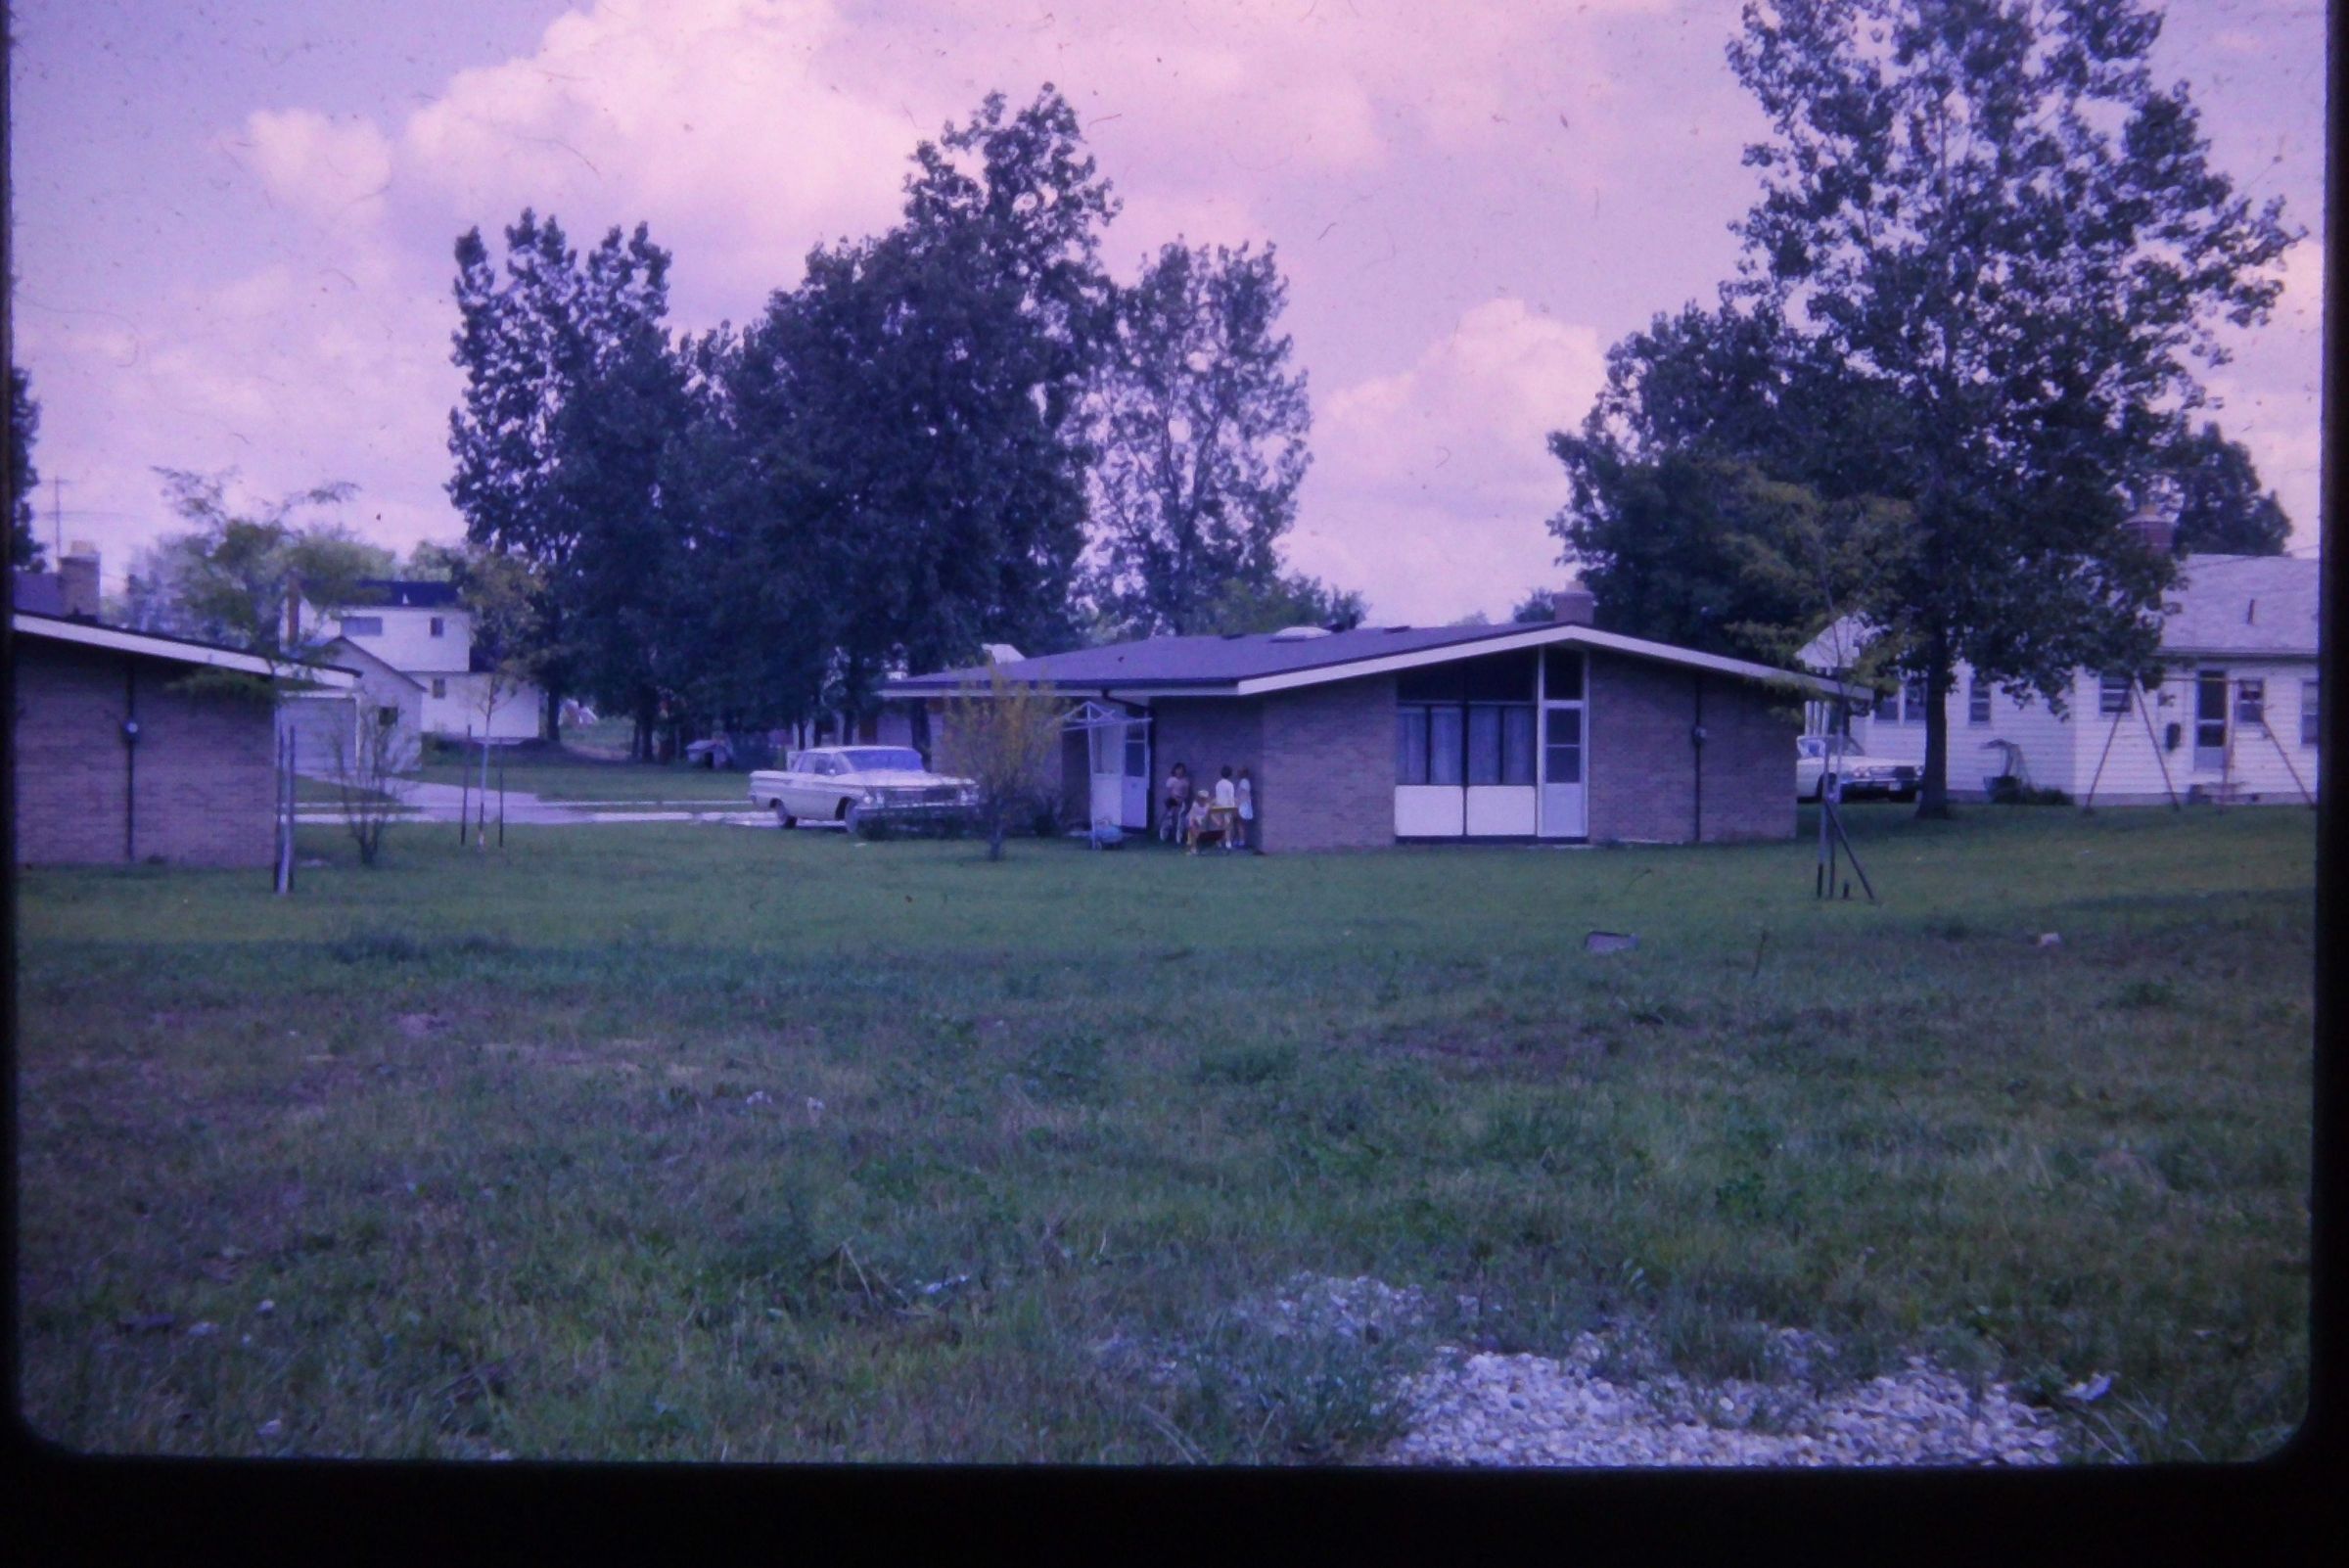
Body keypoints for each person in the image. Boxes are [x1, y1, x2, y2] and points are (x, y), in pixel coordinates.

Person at [1211, 765, 1238, 852]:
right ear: (1230, 774)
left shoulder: (1218, 784)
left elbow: (1217, 795)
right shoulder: (1230, 785)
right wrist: (1233, 807)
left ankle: (1218, 841)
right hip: (1227, 806)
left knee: (1219, 824)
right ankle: (1228, 843)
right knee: (1227, 825)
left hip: (1218, 805)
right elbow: (1231, 797)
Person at [1162, 761, 1190, 844]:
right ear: (1175, 770)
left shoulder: (1185, 781)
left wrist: (1182, 800)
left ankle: (1179, 838)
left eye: (1181, 770)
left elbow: (1186, 793)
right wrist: (1175, 799)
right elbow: (1169, 791)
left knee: (1181, 819)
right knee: (1169, 817)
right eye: (1178, 769)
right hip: (1173, 800)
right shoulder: (1171, 780)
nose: (1180, 771)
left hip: (1182, 800)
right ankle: (1164, 835)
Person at [1184, 789, 1219, 854]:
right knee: (1193, 834)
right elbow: (1192, 816)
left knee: (1195, 836)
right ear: (1199, 798)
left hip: (1199, 822)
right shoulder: (1195, 805)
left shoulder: (1208, 806)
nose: (1203, 800)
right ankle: (1193, 849)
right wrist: (1192, 825)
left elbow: (1211, 815)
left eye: (1204, 798)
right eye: (1202, 798)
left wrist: (1217, 821)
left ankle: (1192, 848)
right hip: (1190, 820)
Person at [1234, 765, 1255, 852]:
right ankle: (1240, 840)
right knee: (1240, 823)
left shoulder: (1244, 782)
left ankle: (1242, 842)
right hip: (1243, 804)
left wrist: (1238, 804)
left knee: (1240, 824)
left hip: (1243, 805)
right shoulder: (1244, 782)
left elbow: (1243, 795)